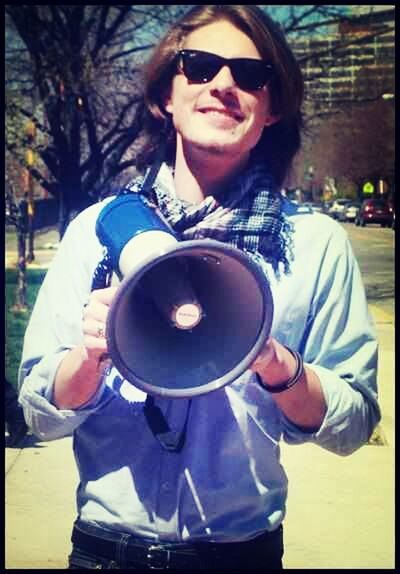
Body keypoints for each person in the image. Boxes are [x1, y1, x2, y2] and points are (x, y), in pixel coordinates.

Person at [18, 5, 381, 570]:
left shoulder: (315, 243)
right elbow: (39, 415)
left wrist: (278, 366)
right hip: (105, 554)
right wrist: (92, 359)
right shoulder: (96, 230)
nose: (224, 85)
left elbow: (354, 423)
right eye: (201, 66)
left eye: (250, 74)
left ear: (273, 107)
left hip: (242, 557)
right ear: (167, 94)